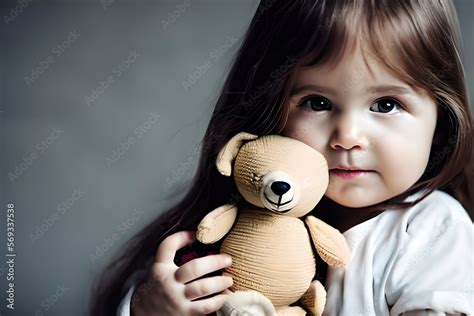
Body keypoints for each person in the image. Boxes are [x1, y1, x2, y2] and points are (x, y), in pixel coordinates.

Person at [89, 0, 474, 315]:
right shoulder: (232, 219)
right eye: (317, 102)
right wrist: (151, 307)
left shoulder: (433, 231)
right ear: (269, 108)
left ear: (441, 119)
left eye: (386, 104)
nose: (348, 137)